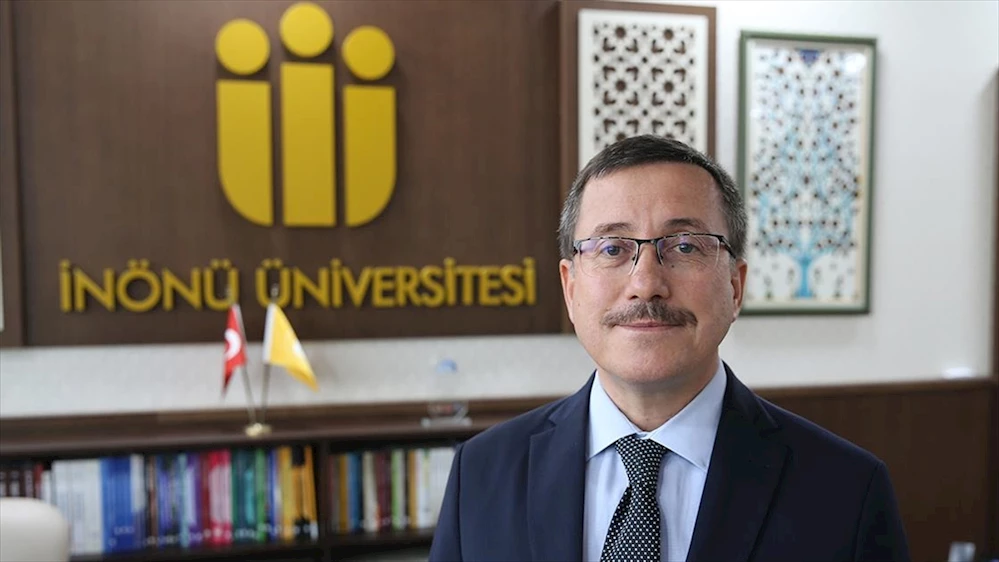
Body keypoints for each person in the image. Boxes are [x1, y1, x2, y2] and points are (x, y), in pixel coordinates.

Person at [428, 135, 910, 562]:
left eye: (684, 246)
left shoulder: (846, 491)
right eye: (612, 248)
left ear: (735, 287)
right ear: (570, 289)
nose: (646, 284)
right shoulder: (482, 473)